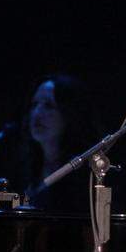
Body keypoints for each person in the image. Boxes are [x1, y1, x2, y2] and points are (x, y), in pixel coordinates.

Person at [18, 74, 105, 213]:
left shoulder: (86, 174)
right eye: (34, 105)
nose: (37, 113)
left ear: (70, 113)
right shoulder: (26, 168)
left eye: (48, 105)